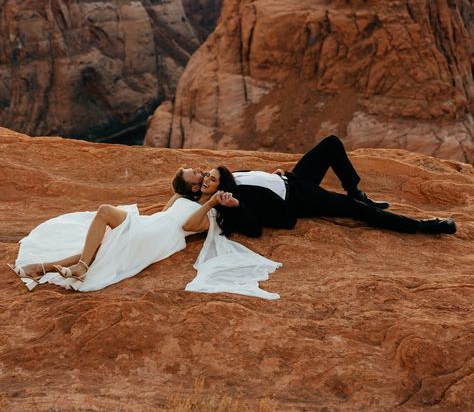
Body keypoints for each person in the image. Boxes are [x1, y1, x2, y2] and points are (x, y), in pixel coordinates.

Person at [8, 170, 281, 299]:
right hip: (153, 223)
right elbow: (169, 206)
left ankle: (74, 265)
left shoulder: (213, 215)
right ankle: (47, 267)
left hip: (162, 236)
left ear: (221, 187)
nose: (206, 178)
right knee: (106, 243)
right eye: (204, 175)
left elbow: (188, 225)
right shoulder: (188, 196)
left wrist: (212, 202)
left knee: (104, 215)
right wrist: (186, 186)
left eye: (212, 178)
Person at [173, 136, 457, 237]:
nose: (201, 172)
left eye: (201, 171)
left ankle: (355, 189)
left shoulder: (224, 177)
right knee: (354, 211)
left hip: (292, 179)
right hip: (299, 199)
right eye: (198, 177)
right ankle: (421, 226)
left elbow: (256, 179)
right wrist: (232, 205)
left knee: (331, 144)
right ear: (198, 190)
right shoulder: (226, 200)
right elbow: (254, 230)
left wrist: (276, 175)